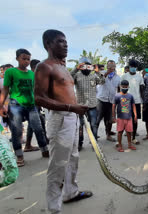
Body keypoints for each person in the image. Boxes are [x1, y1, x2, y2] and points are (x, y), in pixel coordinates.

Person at [34, 29, 92, 214]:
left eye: (66, 42)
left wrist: (76, 107)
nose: (65, 45)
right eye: (60, 41)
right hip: (60, 119)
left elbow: (65, 95)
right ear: (48, 44)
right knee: (58, 165)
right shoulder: (45, 67)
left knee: (72, 159)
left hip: (72, 118)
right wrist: (70, 108)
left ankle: (71, 193)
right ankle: (54, 209)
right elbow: (39, 98)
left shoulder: (63, 67)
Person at [0, 49, 49, 167]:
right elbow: (5, 89)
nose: (26, 61)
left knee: (38, 128)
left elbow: (34, 90)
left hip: (31, 105)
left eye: (28, 59)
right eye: (24, 58)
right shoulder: (10, 72)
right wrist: (1, 106)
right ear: (17, 58)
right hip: (16, 105)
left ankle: (44, 150)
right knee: (16, 131)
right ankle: (19, 155)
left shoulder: (32, 73)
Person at [71, 57, 105, 151]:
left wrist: (97, 71)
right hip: (80, 106)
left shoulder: (93, 76)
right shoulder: (77, 75)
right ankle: (80, 144)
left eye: (88, 66)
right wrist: (76, 68)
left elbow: (103, 81)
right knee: (80, 126)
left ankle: (94, 144)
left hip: (92, 105)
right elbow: (68, 79)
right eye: (84, 66)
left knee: (93, 125)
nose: (86, 68)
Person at [25, 59, 48, 152]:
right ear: (35, 67)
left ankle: (44, 139)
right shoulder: (31, 76)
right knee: (33, 125)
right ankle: (29, 145)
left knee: (40, 121)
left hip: (35, 105)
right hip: (31, 105)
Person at [96, 60, 120, 142]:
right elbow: (98, 81)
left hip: (111, 101)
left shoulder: (117, 77)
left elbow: (118, 89)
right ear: (107, 66)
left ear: (115, 67)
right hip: (101, 99)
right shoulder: (101, 73)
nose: (111, 68)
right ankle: (94, 136)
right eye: (109, 66)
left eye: (113, 66)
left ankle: (108, 135)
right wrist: (106, 74)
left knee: (109, 119)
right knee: (97, 119)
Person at [121, 59, 144, 144]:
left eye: (134, 67)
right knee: (124, 120)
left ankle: (133, 138)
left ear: (136, 67)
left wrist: (143, 101)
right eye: (131, 66)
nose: (133, 68)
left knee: (135, 120)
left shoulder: (139, 77)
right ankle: (123, 137)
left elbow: (142, 89)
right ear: (129, 67)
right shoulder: (124, 76)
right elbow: (120, 88)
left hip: (137, 101)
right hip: (125, 101)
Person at [112, 80, 137, 152]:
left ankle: (130, 144)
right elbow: (113, 106)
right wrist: (113, 116)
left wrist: (135, 115)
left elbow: (133, 106)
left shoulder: (130, 96)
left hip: (129, 118)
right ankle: (120, 145)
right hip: (120, 118)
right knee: (120, 132)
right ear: (120, 86)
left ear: (128, 87)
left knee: (129, 132)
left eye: (126, 87)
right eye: (123, 87)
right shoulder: (117, 96)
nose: (125, 88)